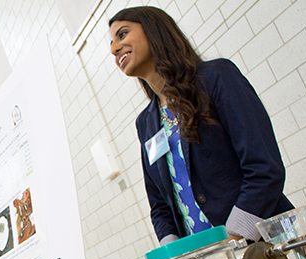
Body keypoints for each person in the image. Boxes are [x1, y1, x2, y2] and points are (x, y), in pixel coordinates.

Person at [108, 6, 293, 246]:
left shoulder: (216, 78)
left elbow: (264, 169)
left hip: (264, 247)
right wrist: (174, 252)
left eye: (122, 35)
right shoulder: (146, 123)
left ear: (154, 30)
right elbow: (161, 205)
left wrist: (234, 238)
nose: (114, 48)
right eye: (112, 43)